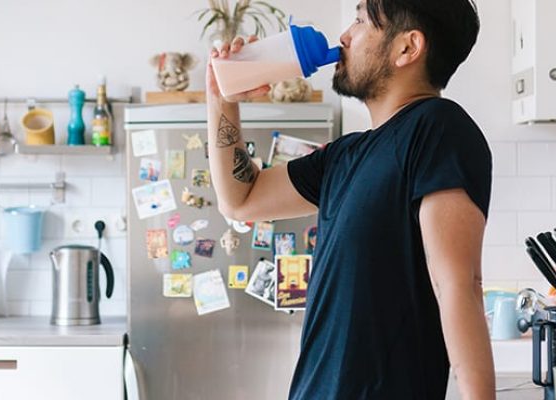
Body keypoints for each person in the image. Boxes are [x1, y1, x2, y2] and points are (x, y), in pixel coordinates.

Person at [204, 0, 493, 398]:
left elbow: (458, 285)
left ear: (407, 48)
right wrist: (222, 99)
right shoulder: (345, 155)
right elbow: (240, 199)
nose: (343, 37)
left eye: (359, 21)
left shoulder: (438, 130)